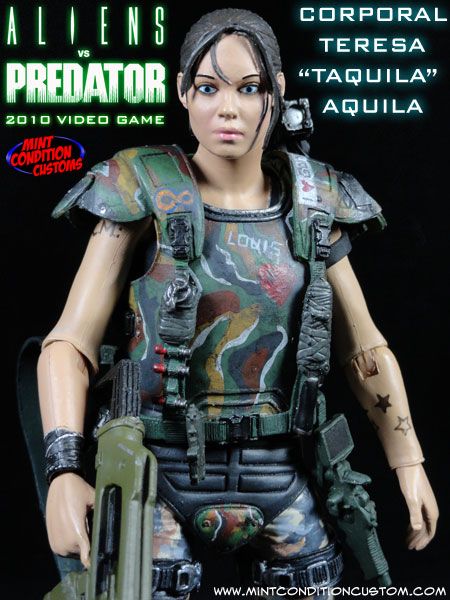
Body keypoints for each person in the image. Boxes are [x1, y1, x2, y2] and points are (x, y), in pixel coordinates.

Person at [37, 8, 438, 599]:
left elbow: (364, 351)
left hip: (277, 469)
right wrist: (64, 470)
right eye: (209, 88)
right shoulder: (140, 186)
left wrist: (409, 462)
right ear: (183, 92)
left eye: (249, 88)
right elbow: (69, 343)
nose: (228, 108)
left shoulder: (314, 202)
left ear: (277, 95)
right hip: (157, 469)